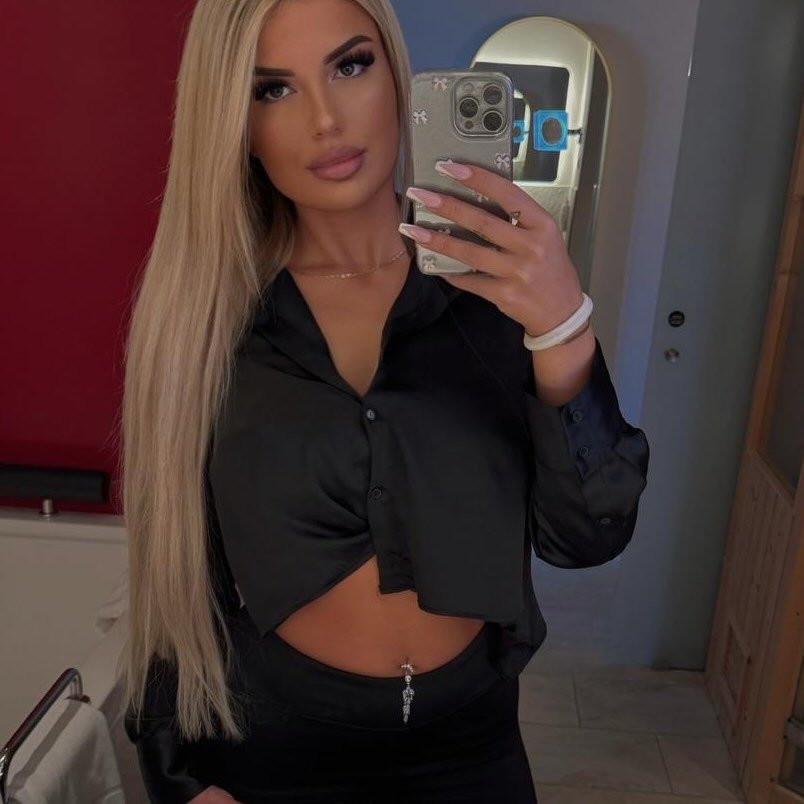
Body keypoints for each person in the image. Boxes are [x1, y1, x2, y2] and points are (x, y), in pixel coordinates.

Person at [118, 0, 650, 801]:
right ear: (234, 122)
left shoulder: (501, 299)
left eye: (350, 65)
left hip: (473, 754)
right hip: (272, 757)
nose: (326, 121)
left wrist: (563, 327)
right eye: (272, 89)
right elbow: (174, 575)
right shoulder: (206, 322)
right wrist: (182, 780)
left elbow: (588, 537)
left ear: (398, 77)